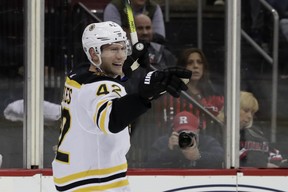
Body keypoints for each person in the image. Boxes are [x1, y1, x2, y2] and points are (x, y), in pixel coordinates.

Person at [51, 21, 191, 192]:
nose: (121, 56)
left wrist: (134, 63)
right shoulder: (97, 87)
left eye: (123, 48)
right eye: (113, 49)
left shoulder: (78, 75)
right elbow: (112, 119)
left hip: (79, 175)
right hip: (95, 182)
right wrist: (144, 96)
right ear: (94, 54)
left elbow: (115, 76)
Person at [164, 48, 224, 140]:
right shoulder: (172, 95)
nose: (196, 66)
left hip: (210, 143)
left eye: (199, 62)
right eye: (190, 63)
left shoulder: (213, 95)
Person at [218, 91, 287, 168]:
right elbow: (224, 159)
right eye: (246, 111)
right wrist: (262, 165)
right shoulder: (217, 130)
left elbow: (272, 153)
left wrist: (281, 163)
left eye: (252, 113)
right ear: (232, 109)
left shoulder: (256, 133)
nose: (250, 116)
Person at [144, 111, 224, 168]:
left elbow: (221, 159)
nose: (185, 137)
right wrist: (169, 152)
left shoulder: (207, 142)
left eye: (190, 133)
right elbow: (149, 165)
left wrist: (198, 156)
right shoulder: (163, 142)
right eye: (181, 132)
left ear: (197, 131)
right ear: (174, 132)